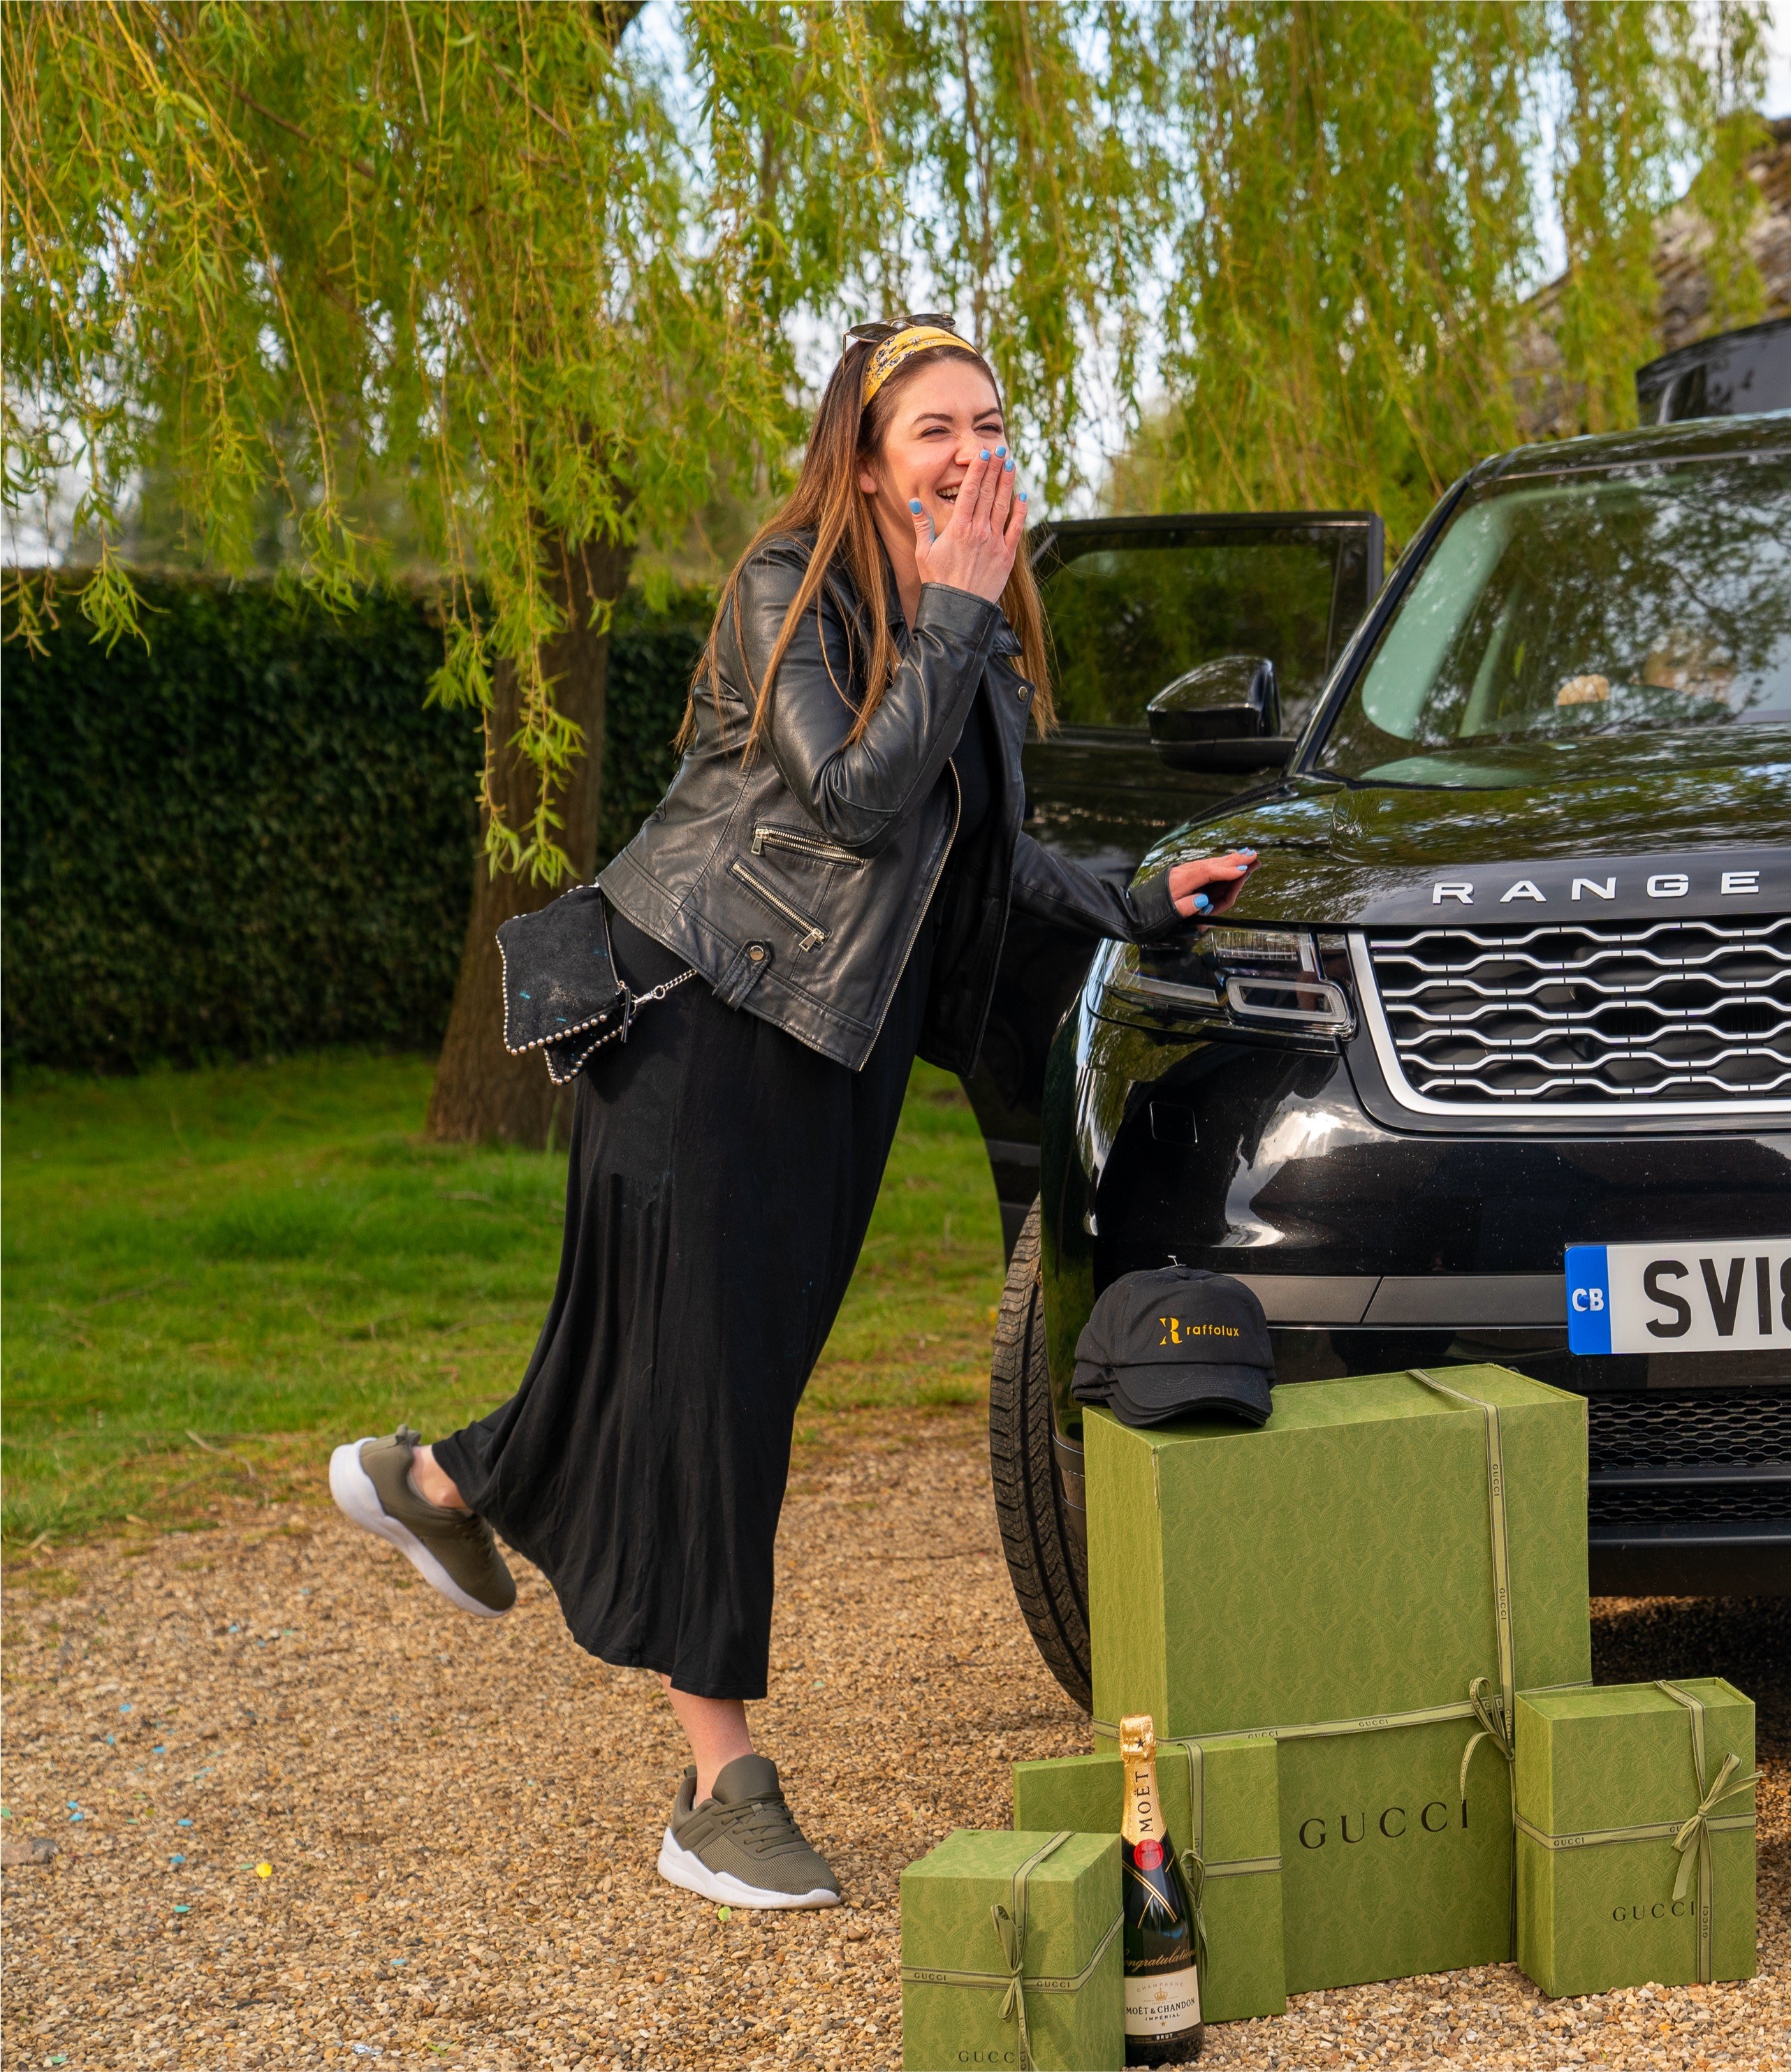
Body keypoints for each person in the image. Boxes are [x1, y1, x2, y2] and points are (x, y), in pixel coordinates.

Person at [326, 316, 1253, 1909]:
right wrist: (957, 615)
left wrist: (1135, 898)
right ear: (866, 451)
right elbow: (848, 797)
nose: (971, 452)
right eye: (932, 430)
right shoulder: (792, 589)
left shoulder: (969, 631)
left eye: (989, 421)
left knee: (698, 1358)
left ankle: (437, 1480)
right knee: (711, 1393)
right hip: (702, 1015)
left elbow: (968, 856)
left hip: (831, 1054)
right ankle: (720, 1787)